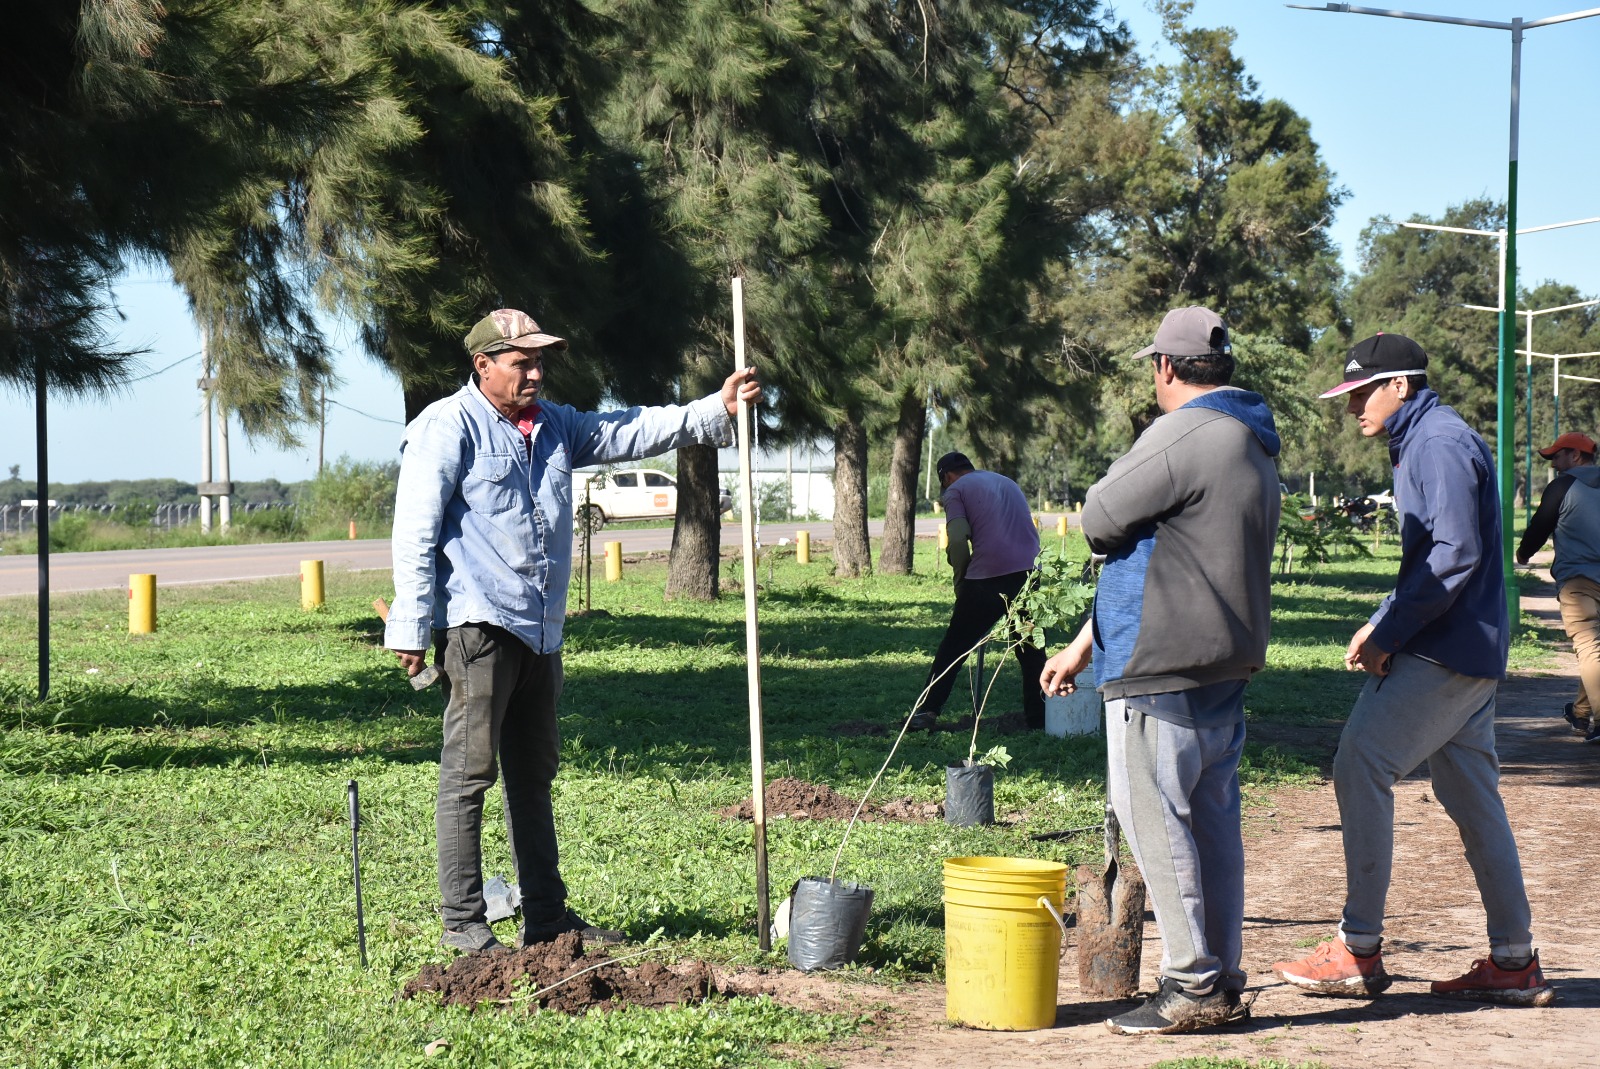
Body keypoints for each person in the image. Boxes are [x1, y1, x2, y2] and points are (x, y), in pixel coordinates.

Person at [384, 308, 761, 954]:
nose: (536, 372)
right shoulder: (448, 428)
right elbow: (415, 529)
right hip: (478, 627)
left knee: (533, 775)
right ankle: (465, 924)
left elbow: (627, 429)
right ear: (484, 366)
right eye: (521, 361)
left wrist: (713, 409)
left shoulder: (555, 425)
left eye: (539, 361)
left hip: (539, 634)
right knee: (468, 774)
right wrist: (411, 624)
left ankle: (547, 917)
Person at [1274, 332, 1552, 1006]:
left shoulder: (1438, 443)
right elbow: (1429, 557)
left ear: (1401, 384)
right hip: (1464, 649)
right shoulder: (1427, 439)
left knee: (1359, 761)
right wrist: (1381, 620)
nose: (1352, 408)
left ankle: (1358, 948)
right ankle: (1514, 959)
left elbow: (1454, 554)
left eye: (1361, 393)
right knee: (1471, 796)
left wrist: (1390, 633)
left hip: (1444, 652)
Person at [1040, 306, 1281, 1036]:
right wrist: (1087, 641)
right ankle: (1224, 973)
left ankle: (1191, 984)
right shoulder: (1252, 437)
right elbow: (1171, 557)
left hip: (1162, 664)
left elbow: (1101, 516)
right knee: (1212, 828)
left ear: (1165, 368)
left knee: (1156, 822)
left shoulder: (1179, 432)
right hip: (1224, 661)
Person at [908, 452, 1047, 732]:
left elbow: (958, 539)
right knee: (1030, 649)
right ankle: (1040, 718)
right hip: (1030, 571)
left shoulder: (956, 490)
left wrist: (961, 580)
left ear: (946, 477)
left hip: (988, 577)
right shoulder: (1006, 482)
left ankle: (926, 712)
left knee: (954, 647)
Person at [1515, 431, 1600, 743]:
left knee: (1590, 648)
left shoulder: (1563, 485)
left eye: (1557, 456)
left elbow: (1541, 525)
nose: (1553, 464)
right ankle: (1580, 712)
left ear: (1576, 456)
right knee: (1596, 651)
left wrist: (1524, 553)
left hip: (1579, 581)